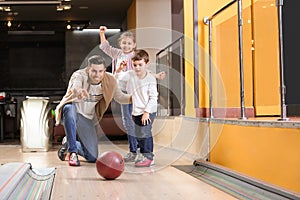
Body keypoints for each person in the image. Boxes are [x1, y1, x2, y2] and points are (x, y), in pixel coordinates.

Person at [99, 26, 165, 163]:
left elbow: (143, 70)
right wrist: (102, 33)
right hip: (123, 92)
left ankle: (143, 152)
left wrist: (156, 75)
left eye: (129, 43)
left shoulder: (136, 56)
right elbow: (105, 47)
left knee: (139, 123)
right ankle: (133, 151)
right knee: (128, 122)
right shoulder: (117, 54)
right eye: (124, 43)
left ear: (134, 45)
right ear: (120, 44)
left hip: (136, 93)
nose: (126, 45)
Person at [55, 55, 131, 166]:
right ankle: (73, 152)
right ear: (88, 69)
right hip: (72, 112)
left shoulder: (110, 80)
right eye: (94, 71)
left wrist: (134, 98)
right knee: (69, 109)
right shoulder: (79, 75)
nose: (97, 75)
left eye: (100, 71)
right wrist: (79, 91)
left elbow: (120, 97)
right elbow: (75, 87)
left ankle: (69, 143)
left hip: (87, 118)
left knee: (92, 157)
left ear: (104, 70)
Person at [118, 49, 158, 167]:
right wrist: (120, 69)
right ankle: (142, 154)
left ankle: (149, 157)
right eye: (135, 65)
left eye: (140, 65)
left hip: (149, 110)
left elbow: (153, 97)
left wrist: (146, 112)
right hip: (136, 110)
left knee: (145, 132)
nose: (137, 68)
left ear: (147, 64)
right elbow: (117, 78)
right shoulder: (130, 74)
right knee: (138, 133)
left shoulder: (150, 78)